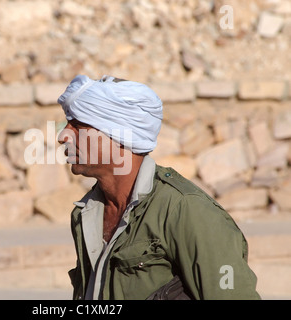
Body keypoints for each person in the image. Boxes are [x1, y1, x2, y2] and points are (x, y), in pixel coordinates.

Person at [56, 75, 261, 300]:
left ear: (120, 135)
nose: (63, 135)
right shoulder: (85, 214)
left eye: (78, 125)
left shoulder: (185, 210)